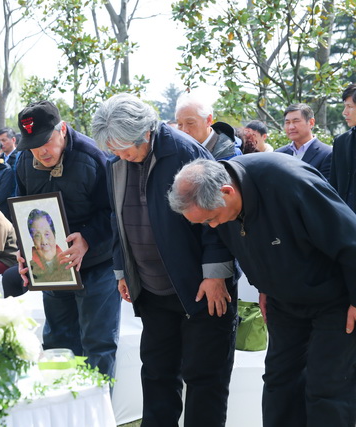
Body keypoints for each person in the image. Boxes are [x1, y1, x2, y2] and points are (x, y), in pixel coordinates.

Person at [168, 154, 356, 427]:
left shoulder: (291, 183)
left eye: (213, 218)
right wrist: (264, 285)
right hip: (283, 301)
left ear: (227, 192)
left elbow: (350, 240)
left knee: (328, 385)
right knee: (280, 380)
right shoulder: (221, 198)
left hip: (334, 299)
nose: (213, 226)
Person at [92, 93, 237, 426]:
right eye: (113, 149)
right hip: (153, 289)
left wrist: (216, 274)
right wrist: (122, 270)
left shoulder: (185, 151)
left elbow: (218, 216)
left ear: (146, 133)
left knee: (204, 380)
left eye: (124, 148)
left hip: (199, 289)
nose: (120, 155)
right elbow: (117, 218)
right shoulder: (117, 161)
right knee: (157, 376)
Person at [4, 100, 120, 378]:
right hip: (52, 269)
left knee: (97, 345)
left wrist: (87, 239)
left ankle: (95, 417)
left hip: (96, 266)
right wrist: (24, 253)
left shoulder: (93, 157)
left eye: (46, 142)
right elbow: (23, 211)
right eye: (32, 145)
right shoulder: (24, 162)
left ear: (63, 130)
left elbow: (115, 212)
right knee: (58, 342)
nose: (40, 152)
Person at [174, 92, 242, 160]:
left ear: (208, 120)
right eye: (180, 124)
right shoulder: (175, 152)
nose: (184, 130)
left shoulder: (231, 155)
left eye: (190, 123)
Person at [276, 103, 332, 180]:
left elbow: (325, 189)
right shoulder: (278, 154)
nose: (291, 127)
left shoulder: (327, 154)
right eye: (287, 122)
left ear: (311, 123)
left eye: (296, 121)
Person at [26, 209, 74, 283]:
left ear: (54, 234)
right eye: (37, 236)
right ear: (33, 240)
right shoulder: (29, 269)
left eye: (47, 234)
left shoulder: (71, 263)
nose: (44, 242)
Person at [329, 83, 356, 212]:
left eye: (349, 107)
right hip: (345, 220)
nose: (344, 112)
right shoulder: (340, 142)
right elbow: (333, 184)